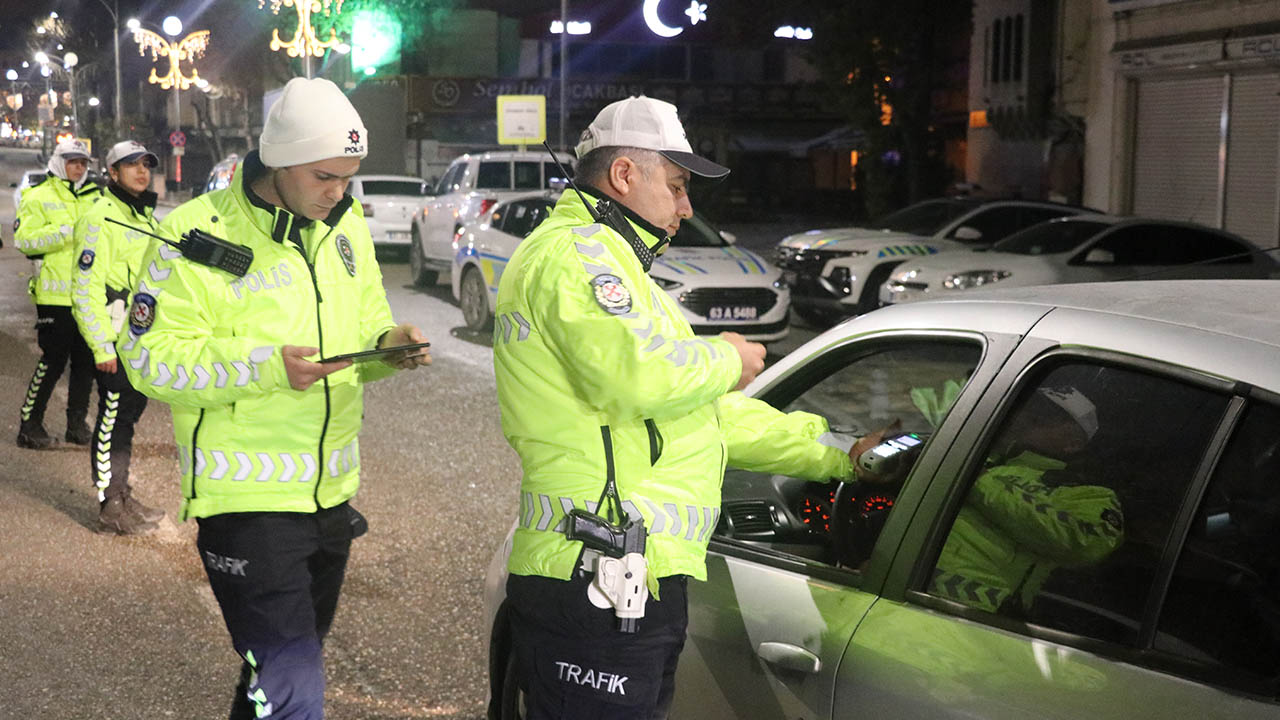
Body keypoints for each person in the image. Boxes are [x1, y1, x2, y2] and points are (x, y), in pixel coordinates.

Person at [493, 95, 880, 719]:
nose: (685, 207)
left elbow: (703, 416)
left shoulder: (621, 270)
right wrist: (728, 357)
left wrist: (836, 453)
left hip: (624, 579)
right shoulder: (579, 255)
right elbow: (640, 378)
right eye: (675, 186)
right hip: (593, 576)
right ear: (624, 175)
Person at [118, 77, 431, 719]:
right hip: (245, 505)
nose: (337, 192)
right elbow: (147, 360)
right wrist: (264, 367)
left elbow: (363, 329)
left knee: (275, 678)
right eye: (324, 176)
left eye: (347, 177)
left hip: (330, 501)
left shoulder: (344, 231)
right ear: (281, 160)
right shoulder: (194, 233)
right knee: (293, 691)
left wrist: (389, 344)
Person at [924, 385, 1124, 614]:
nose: (1026, 417)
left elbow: (1087, 542)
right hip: (905, 587)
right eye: (1028, 410)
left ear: (1073, 444)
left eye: (1045, 418)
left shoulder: (1085, 493)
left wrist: (979, 482)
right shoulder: (979, 458)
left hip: (971, 614)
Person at [70, 140, 167, 535]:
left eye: (146, 165)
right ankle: (110, 505)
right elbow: (86, 288)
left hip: (140, 339)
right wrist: (101, 345)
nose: (142, 172)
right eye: (131, 166)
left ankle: (121, 493)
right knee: (112, 420)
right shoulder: (100, 217)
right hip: (114, 337)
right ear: (112, 172)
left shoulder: (144, 217)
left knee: (126, 418)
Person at [13, 138, 102, 449]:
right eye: (72, 161)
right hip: (54, 297)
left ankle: (76, 425)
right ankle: (29, 424)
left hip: (88, 296)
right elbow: (25, 241)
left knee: (85, 362)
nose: (78, 167)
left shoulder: (95, 199)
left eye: (83, 163)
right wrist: (65, 234)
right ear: (58, 162)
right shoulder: (37, 196)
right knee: (52, 362)